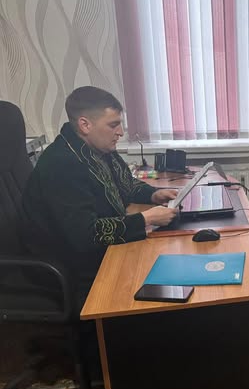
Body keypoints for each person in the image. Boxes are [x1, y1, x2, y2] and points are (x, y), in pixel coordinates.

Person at [20, 86, 178, 307]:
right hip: (69, 266)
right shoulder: (62, 164)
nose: (120, 132)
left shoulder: (98, 149)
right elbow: (85, 235)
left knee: (165, 256)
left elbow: (126, 184)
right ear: (85, 125)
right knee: (158, 272)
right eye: (113, 125)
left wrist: (154, 195)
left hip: (96, 251)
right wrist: (146, 219)